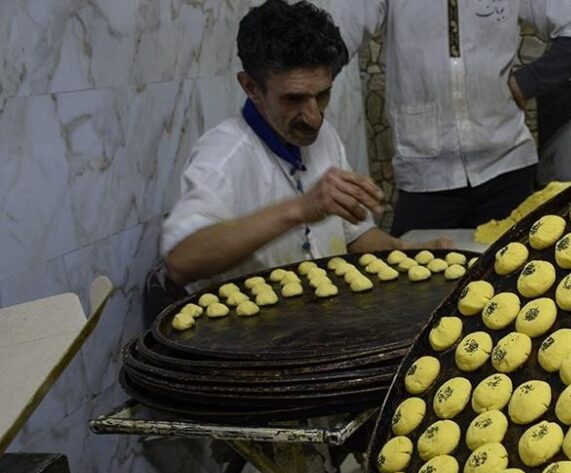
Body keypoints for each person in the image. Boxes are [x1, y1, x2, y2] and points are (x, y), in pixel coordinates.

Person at [161, 0, 447, 289]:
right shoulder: (223, 156)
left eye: (322, 95)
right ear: (251, 87)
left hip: (326, 320)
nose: (313, 118)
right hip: (255, 332)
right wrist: (298, 209)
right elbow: (180, 262)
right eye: (293, 99)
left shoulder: (326, 138)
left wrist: (406, 252)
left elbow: (356, 236)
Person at [337, 0, 571, 235]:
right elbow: (336, 38)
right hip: (425, 175)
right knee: (420, 280)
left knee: (512, 278)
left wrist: (527, 82)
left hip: (506, 166)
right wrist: (306, 94)